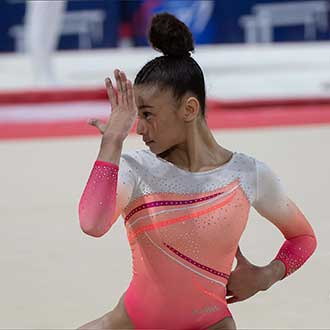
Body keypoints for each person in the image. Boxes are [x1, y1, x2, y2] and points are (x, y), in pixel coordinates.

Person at [77, 13, 317, 330]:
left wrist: (266, 276)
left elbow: (303, 238)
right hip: (131, 322)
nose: (140, 128)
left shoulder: (246, 174)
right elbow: (92, 223)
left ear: (189, 109)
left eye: (147, 114)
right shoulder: (137, 169)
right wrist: (112, 141)